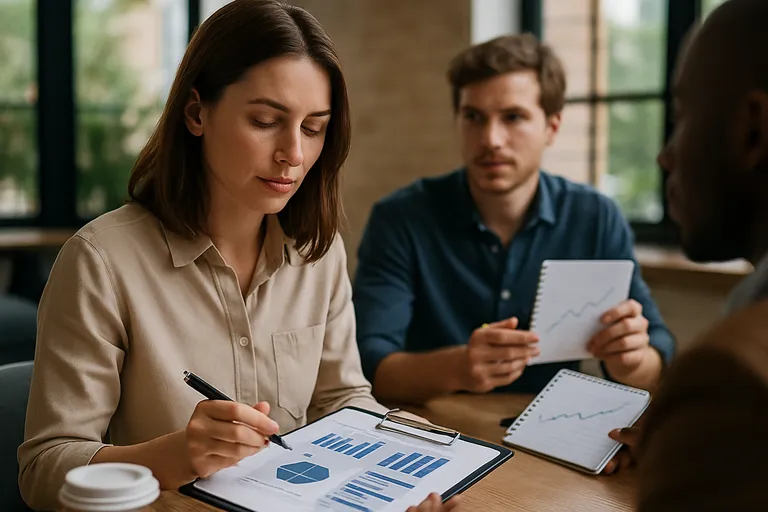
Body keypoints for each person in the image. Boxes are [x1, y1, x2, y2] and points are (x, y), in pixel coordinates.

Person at [16, 3, 456, 511]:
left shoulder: (318, 250)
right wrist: (177, 454)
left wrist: (399, 437)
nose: (292, 152)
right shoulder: (101, 262)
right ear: (197, 113)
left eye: (313, 128)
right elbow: (44, 468)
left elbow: (341, 398)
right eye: (266, 120)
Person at [352, 34, 675, 405]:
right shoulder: (400, 219)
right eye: (474, 117)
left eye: (513, 117)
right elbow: (368, 365)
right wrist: (459, 367)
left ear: (552, 128)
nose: (491, 139)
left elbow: (660, 352)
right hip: (432, 432)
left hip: (545, 432)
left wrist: (632, 363)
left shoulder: (596, 218)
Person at [603, 2, 768, 507]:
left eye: (681, 117)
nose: (664, 154)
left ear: (753, 131)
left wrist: (697, 436)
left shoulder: (732, 380)